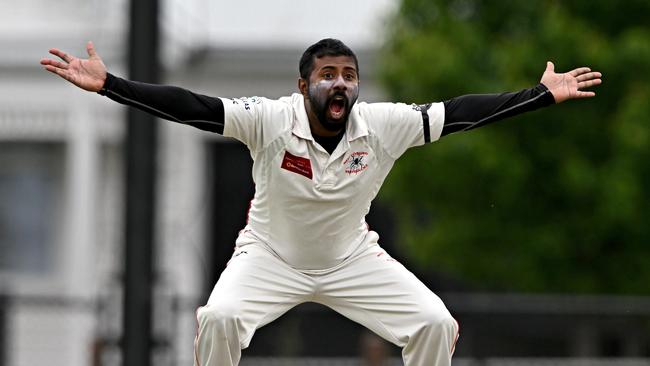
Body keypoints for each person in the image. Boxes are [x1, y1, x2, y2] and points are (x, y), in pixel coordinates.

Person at [41, 38, 601, 366]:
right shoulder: (268, 118)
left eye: (349, 76)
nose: (340, 85)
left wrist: (540, 96)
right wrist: (111, 84)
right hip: (268, 257)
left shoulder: (382, 125)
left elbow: (458, 113)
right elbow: (194, 105)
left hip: (351, 258)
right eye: (328, 75)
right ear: (303, 83)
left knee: (434, 322)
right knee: (219, 317)